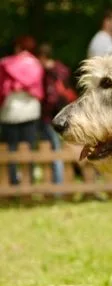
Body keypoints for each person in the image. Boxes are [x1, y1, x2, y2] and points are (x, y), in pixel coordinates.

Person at [0, 35, 44, 186]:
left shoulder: (6, 63)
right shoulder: (36, 64)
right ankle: (28, 180)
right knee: (28, 147)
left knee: (10, 149)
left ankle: (12, 181)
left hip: (10, 111)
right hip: (30, 110)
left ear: (18, 47)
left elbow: (2, 88)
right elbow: (38, 89)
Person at [38, 43, 76, 186]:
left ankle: (58, 185)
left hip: (52, 118)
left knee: (55, 149)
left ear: (42, 57)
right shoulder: (61, 69)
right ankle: (62, 183)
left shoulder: (48, 73)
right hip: (66, 114)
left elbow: (51, 98)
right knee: (64, 148)